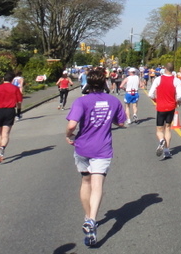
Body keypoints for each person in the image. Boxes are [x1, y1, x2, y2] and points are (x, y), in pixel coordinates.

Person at [65, 67, 126, 248]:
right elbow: (121, 122)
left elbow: (72, 124)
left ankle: (88, 217)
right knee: (97, 184)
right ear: (105, 82)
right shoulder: (113, 101)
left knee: (85, 182)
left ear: (88, 84)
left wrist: (69, 135)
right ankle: (92, 219)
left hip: (82, 147)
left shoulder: (81, 102)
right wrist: (110, 120)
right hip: (102, 148)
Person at [0, 72, 24, 164]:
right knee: (5, 134)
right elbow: (19, 101)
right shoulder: (15, 88)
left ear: (3, 79)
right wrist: (18, 112)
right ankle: (2, 149)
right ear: (12, 80)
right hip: (9, 111)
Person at [148, 62, 181, 160]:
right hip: (171, 107)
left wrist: (156, 100)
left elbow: (150, 94)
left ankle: (162, 140)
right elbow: (180, 95)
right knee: (168, 127)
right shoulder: (176, 80)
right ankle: (167, 151)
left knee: (159, 129)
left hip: (161, 107)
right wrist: (177, 101)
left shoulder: (158, 79)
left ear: (164, 69)